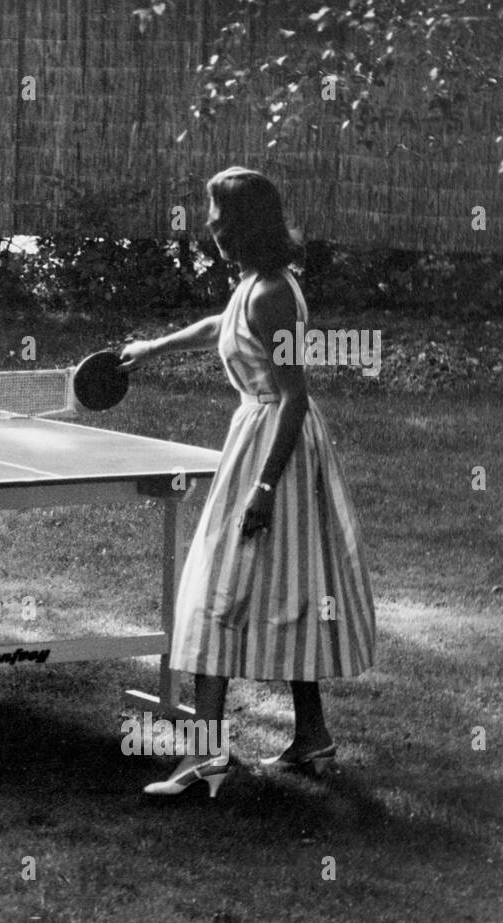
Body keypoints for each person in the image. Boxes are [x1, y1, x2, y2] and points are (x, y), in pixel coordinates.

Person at [118, 167, 375, 798]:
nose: (208, 226)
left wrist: (263, 489)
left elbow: (294, 396)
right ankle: (312, 738)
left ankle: (207, 755)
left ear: (245, 225)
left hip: (274, 451)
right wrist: (153, 348)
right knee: (284, 588)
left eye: (218, 217)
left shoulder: (273, 296)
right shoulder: (255, 286)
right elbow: (221, 326)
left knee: (217, 593)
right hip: (259, 441)